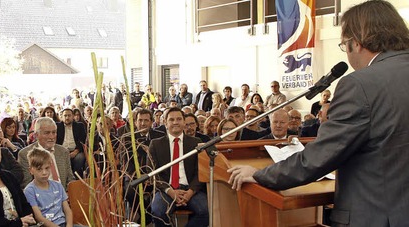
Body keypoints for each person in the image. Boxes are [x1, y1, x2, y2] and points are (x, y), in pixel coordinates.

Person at [228, 1, 409, 226]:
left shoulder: (360, 85)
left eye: (343, 45)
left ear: (358, 42)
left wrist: (259, 174)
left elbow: (319, 158)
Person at [149, 107, 207, 227]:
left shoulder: (196, 142)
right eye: (171, 119)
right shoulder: (155, 144)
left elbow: (200, 171)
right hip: (166, 189)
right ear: (165, 123)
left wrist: (190, 192)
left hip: (191, 189)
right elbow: (153, 173)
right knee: (158, 212)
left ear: (184, 122)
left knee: (206, 211)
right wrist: (170, 192)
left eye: (179, 119)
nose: (175, 122)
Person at [18, 117, 74, 190]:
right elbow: (27, 185)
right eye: (47, 133)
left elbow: (70, 178)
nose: (51, 137)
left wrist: (68, 194)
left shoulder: (63, 151)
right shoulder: (25, 154)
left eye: (54, 132)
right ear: (36, 135)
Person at [23, 148, 73, 227]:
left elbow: (67, 210)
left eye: (47, 168)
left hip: (64, 223)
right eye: (39, 169)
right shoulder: (29, 191)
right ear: (31, 170)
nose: (44, 173)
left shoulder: (58, 185)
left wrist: (69, 225)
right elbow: (39, 217)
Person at [56, 109, 87, 177]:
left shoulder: (79, 126)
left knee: (80, 158)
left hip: (76, 151)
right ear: (61, 117)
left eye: (69, 115)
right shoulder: (57, 126)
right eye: (65, 115)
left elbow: (82, 140)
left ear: (73, 116)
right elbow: (56, 141)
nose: (67, 118)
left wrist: (76, 151)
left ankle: (76, 178)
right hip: (61, 151)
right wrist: (63, 152)